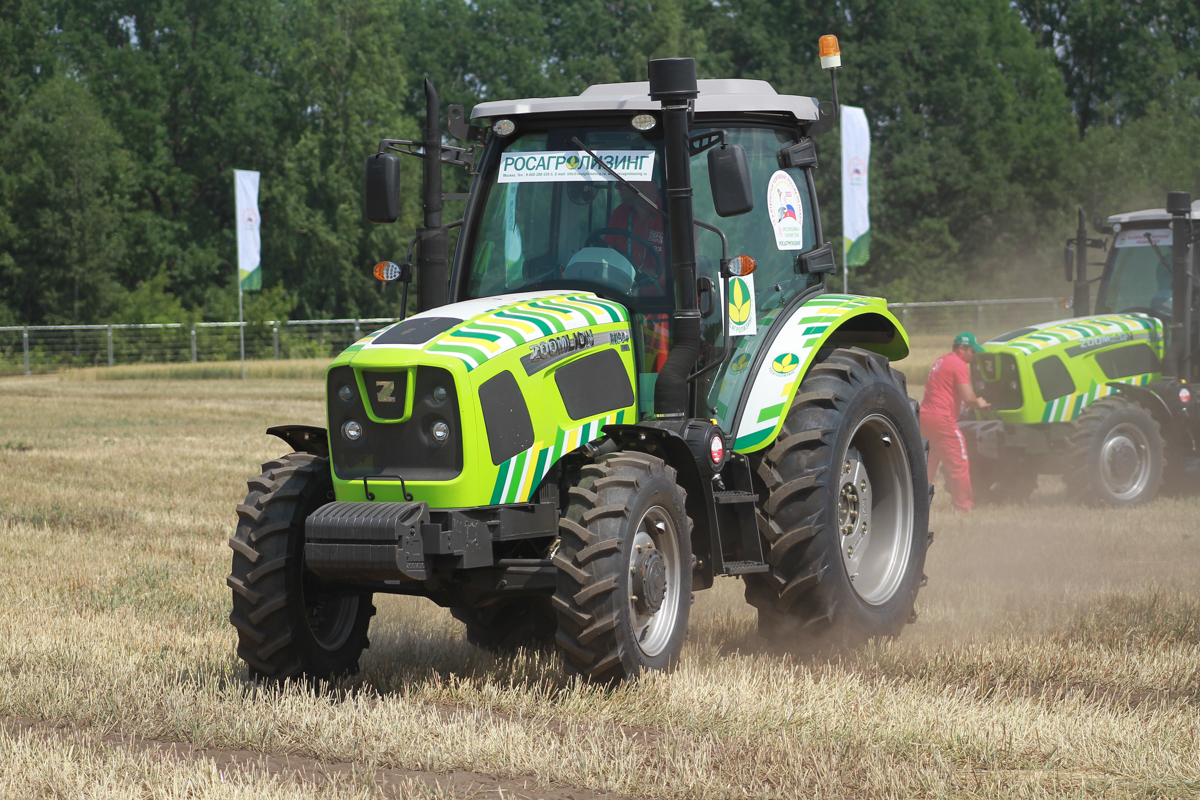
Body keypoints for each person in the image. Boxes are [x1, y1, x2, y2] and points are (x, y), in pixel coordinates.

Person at [921, 332, 991, 512]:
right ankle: (963, 507)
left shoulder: (940, 361)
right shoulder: (958, 364)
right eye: (972, 352)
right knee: (958, 463)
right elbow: (968, 398)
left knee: (926, 466)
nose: (974, 355)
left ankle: (917, 507)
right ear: (962, 348)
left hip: (925, 417)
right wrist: (980, 403)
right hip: (942, 420)